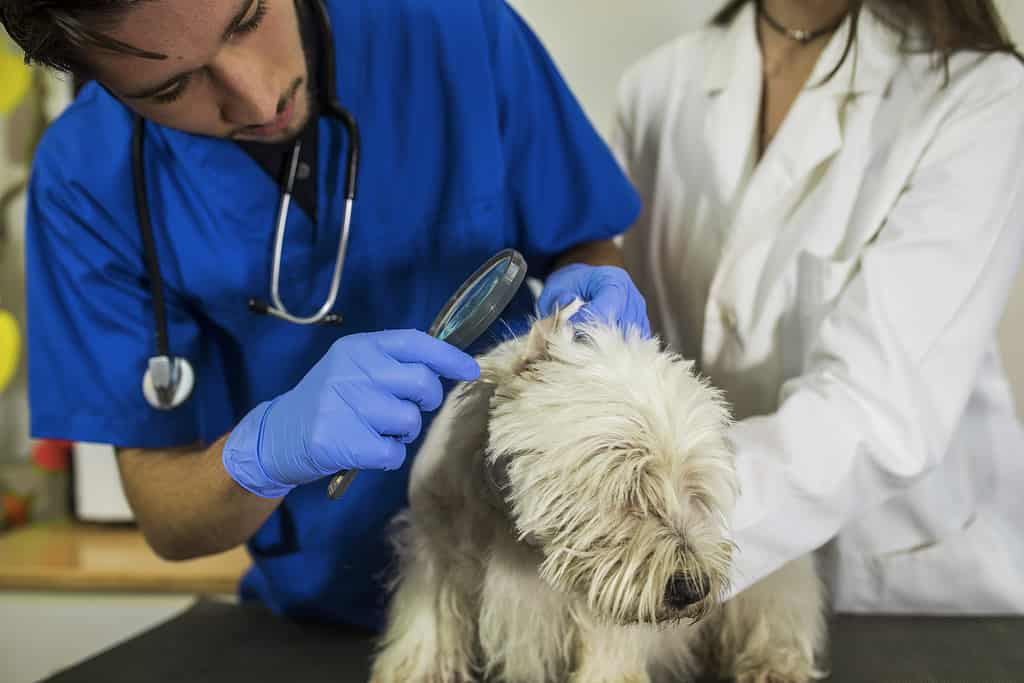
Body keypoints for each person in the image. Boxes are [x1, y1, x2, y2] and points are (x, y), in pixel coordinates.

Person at [0, 0, 651, 629]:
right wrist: (262, 452)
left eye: (249, 18)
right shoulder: (85, 181)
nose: (256, 98)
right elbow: (170, 520)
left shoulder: (454, 26)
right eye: (173, 87)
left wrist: (597, 298)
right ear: (101, 84)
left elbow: (584, 236)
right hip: (324, 612)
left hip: (539, 579)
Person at [614, 0, 1024, 613]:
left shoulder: (979, 94)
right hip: (679, 597)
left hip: (898, 591)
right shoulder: (658, 86)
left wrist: (657, 519)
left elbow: (880, 405)